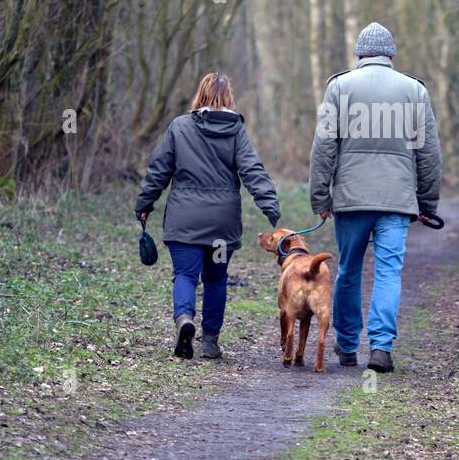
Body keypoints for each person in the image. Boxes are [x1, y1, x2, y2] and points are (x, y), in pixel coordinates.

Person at [309, 22, 442, 373]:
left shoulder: (339, 87)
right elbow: (428, 153)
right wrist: (427, 203)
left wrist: (320, 197)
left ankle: (349, 345)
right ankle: (381, 348)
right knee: (388, 273)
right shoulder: (414, 90)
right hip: (396, 200)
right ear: (391, 55)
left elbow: (324, 147)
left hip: (352, 198)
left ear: (359, 54)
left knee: (349, 271)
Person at [135, 72, 280, 359]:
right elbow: (252, 169)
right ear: (229, 98)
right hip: (220, 228)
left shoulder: (179, 126)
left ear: (199, 94)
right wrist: (269, 204)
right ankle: (210, 341)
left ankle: (184, 319)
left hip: (184, 221)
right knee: (215, 279)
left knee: (186, 276)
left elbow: (159, 170)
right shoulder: (236, 130)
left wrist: (144, 203)